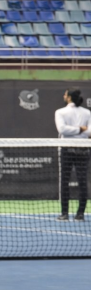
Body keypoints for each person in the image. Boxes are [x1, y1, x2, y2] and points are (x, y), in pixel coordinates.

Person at [54, 87, 91, 222]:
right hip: (70, 149)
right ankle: (67, 214)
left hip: (80, 149)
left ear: (69, 97)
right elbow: (62, 130)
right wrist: (81, 129)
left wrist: (75, 131)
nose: (63, 96)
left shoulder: (86, 113)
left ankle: (76, 214)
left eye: (65, 94)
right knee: (66, 181)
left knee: (81, 182)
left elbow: (90, 133)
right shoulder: (60, 112)